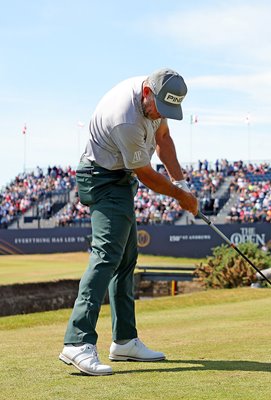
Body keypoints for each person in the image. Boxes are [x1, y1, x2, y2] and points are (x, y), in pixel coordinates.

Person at [59, 68, 198, 376]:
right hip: (102, 179)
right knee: (107, 255)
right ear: (147, 93)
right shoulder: (125, 116)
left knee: (125, 259)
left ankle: (124, 340)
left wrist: (181, 180)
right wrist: (179, 196)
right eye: (159, 108)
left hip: (120, 179)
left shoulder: (158, 102)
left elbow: (163, 138)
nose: (161, 114)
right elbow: (146, 174)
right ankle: (77, 342)